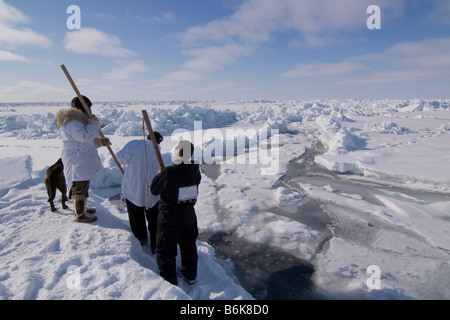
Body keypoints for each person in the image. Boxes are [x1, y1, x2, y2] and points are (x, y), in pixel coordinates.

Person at [150, 140, 201, 285]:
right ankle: (190, 275)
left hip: (170, 216)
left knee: (166, 249)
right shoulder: (195, 169)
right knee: (189, 245)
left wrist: (160, 175)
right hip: (189, 213)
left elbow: (154, 190)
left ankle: (169, 281)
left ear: (179, 152)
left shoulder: (169, 172)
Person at [55, 96, 110, 223]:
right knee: (79, 185)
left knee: (83, 185)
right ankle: (80, 213)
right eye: (88, 107)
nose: (90, 110)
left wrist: (100, 142)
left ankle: (83, 208)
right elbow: (84, 137)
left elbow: (87, 142)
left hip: (82, 158)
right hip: (77, 159)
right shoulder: (72, 123)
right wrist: (94, 124)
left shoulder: (79, 122)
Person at [116, 132, 164, 253]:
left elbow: (120, 159)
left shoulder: (134, 144)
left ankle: (141, 240)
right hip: (154, 192)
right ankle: (155, 245)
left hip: (134, 191)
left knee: (136, 217)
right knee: (154, 219)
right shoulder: (157, 151)